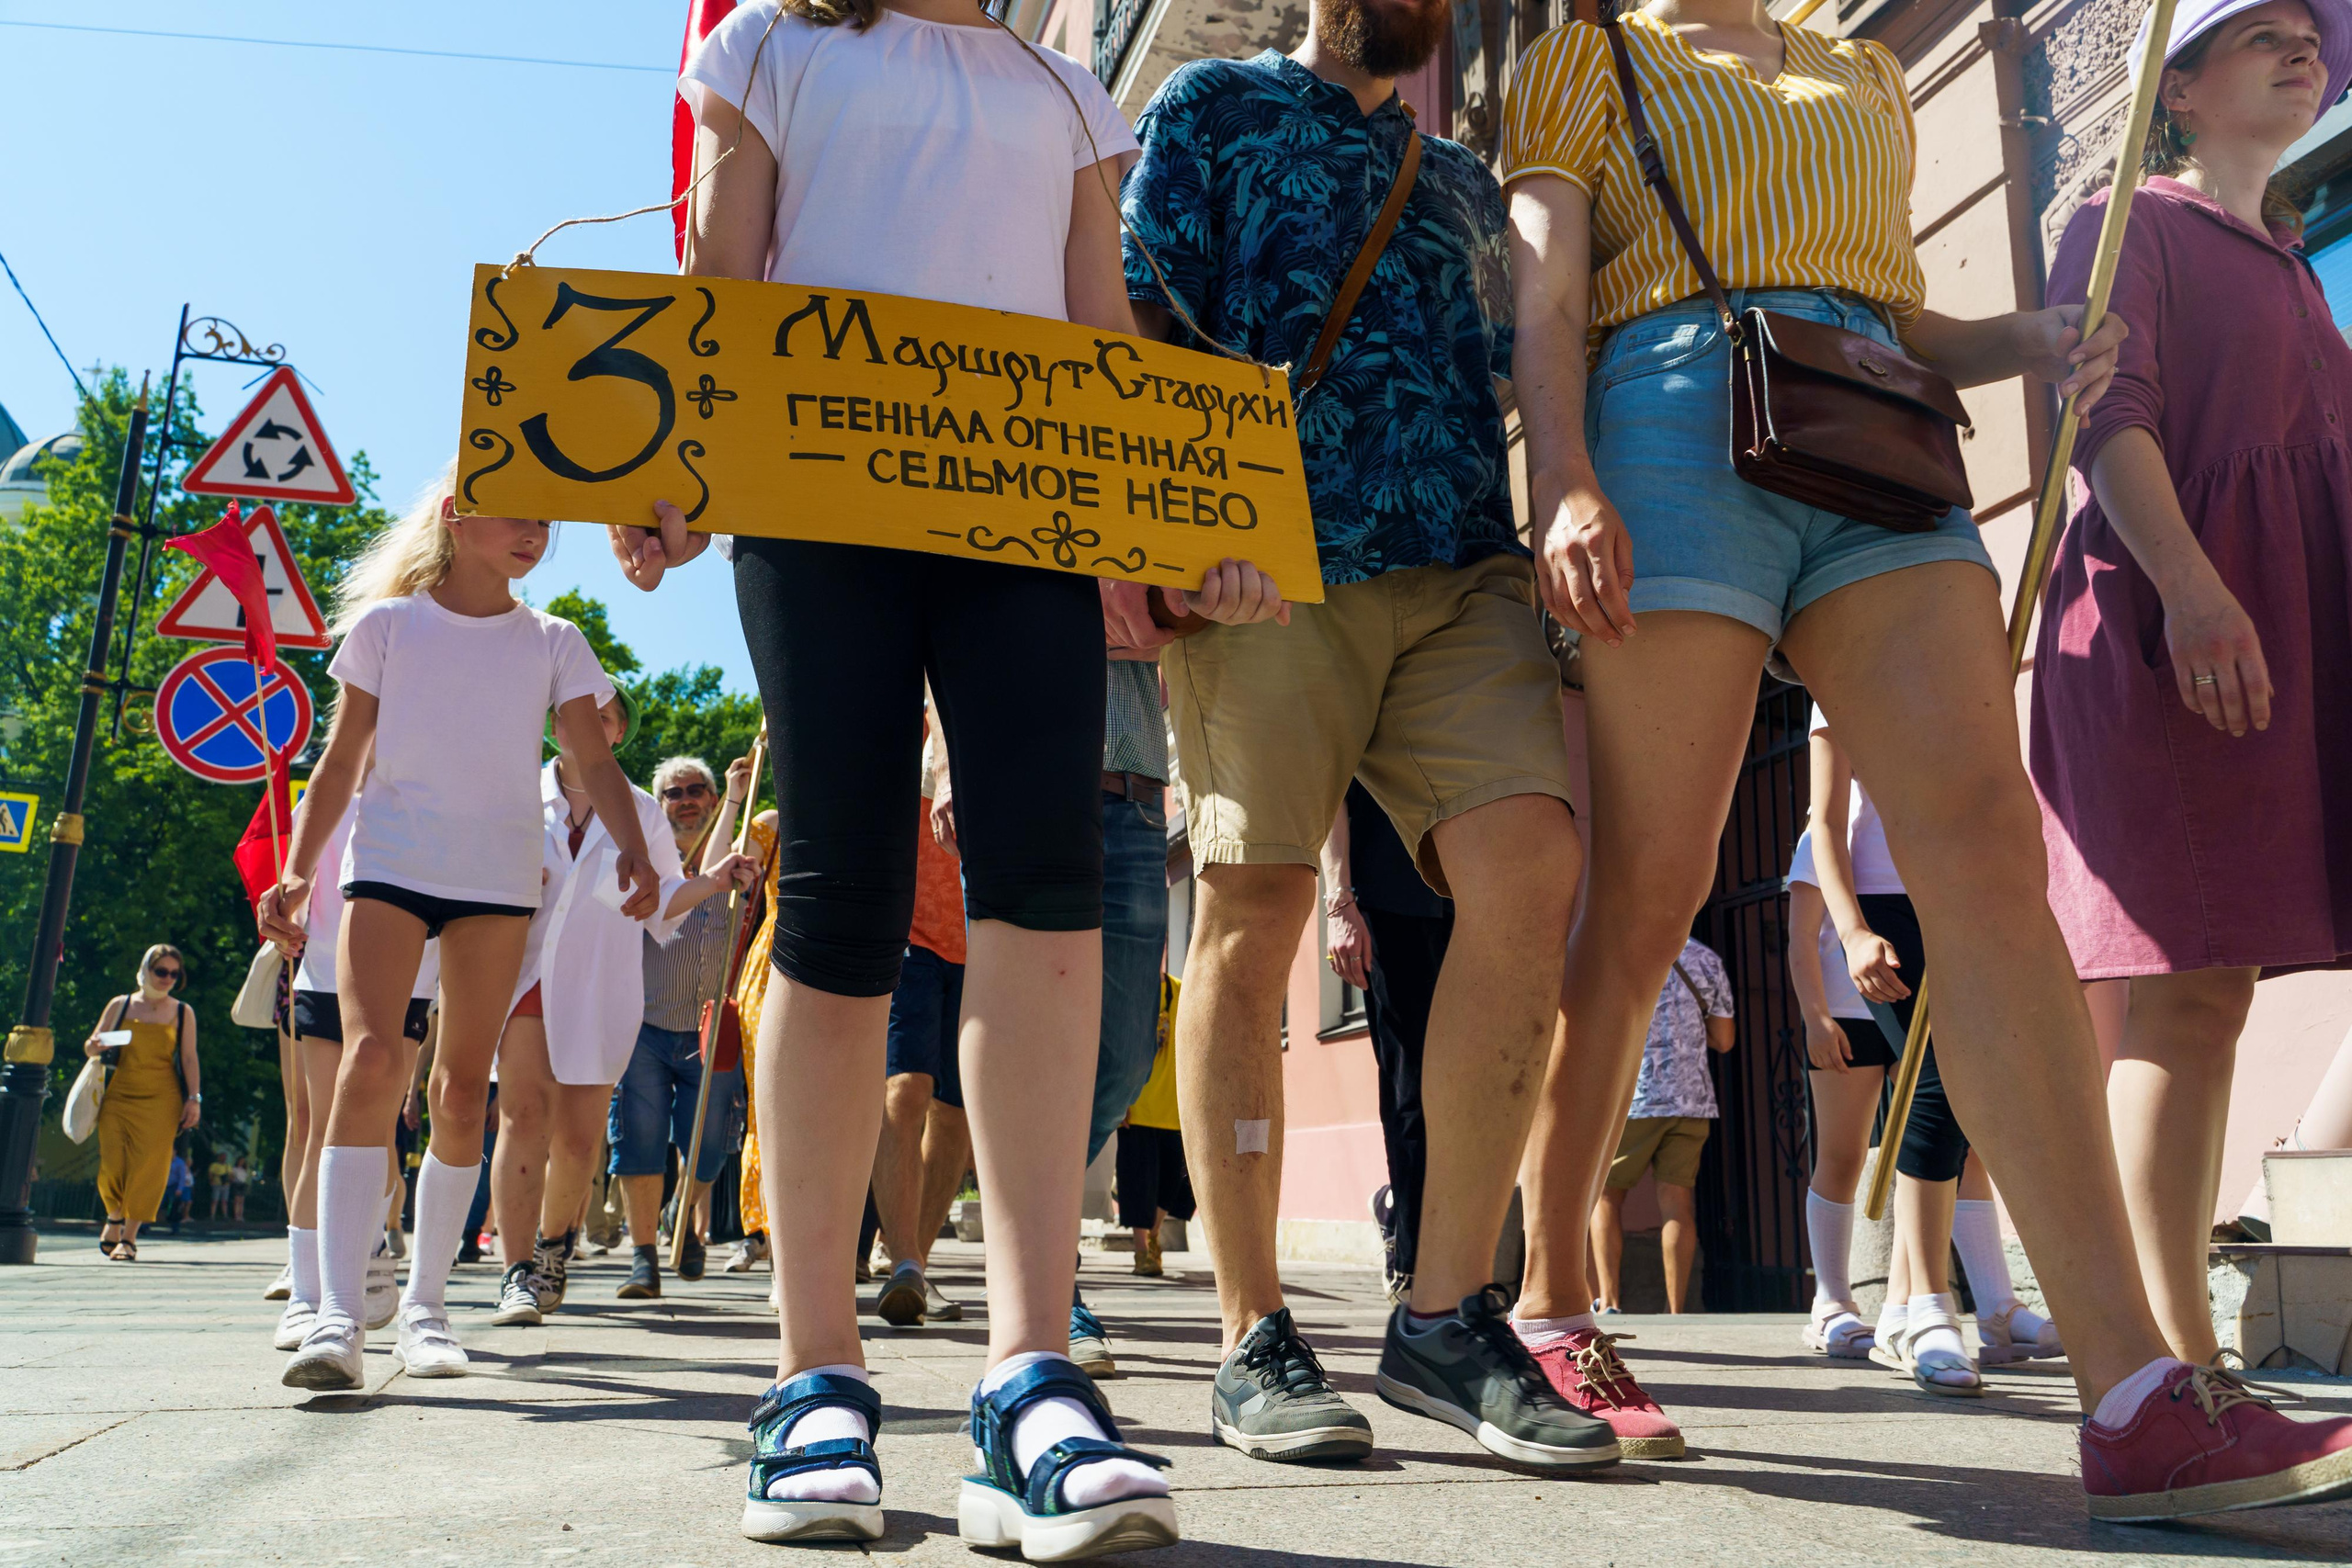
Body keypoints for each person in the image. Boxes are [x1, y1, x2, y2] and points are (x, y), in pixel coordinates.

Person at [1502, 0, 2352, 1515]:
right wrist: (1562, 473)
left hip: (1875, 428)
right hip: (1672, 415)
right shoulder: (1595, 58)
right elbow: (1549, 294)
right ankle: (1555, 1299)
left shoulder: (1859, 70)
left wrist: (2025, 340)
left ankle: (2134, 1392)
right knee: (1649, 889)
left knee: (1989, 863)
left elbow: (1897, 312)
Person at [640, 0, 1283, 1549]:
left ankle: (1029, 1377)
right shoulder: (765, 49)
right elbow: (720, 288)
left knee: (1046, 896)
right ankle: (814, 1373)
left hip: (1026, 516)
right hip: (815, 503)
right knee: (840, 895)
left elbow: (1104, 342)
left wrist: (1191, 527)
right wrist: (664, 469)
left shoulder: (1069, 94)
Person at [1122, 0, 1610, 1474]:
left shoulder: (1460, 178)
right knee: (1255, 903)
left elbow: (1521, 363)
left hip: (1459, 563)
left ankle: (1446, 1312)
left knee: (1531, 866)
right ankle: (1251, 1330)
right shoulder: (1209, 105)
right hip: (1267, 563)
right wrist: (1166, 533)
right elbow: (1140, 319)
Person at [2030, 0, 2352, 1385]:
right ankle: (2171, 1363)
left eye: (2310, 35)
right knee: (2190, 990)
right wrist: (2195, 587)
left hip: (2289, 628)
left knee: (2216, 992)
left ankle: (2181, 1360)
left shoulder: (2288, 259)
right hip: (2180, 622)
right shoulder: (2124, 223)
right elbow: (2105, 418)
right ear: (2180, 88)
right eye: (2261, 32)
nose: (2304, 49)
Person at [256, 462, 651, 1392]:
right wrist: (297, 869)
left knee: (463, 1092)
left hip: (496, 881)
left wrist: (636, 852)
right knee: (368, 1061)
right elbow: (340, 760)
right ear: (456, 517)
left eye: (547, 520)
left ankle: (426, 1311)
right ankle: (336, 1318)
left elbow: (595, 761)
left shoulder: (555, 640)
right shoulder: (388, 627)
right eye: (516, 513)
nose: (535, 532)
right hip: (390, 866)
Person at [499, 739, 753, 1319]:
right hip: (617, 1012)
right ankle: (604, 1259)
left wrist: (731, 821)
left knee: (690, 1146)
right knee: (596, 1132)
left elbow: (683, 882)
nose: (686, 800)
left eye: (697, 791)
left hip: (684, 1019)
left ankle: (649, 1221)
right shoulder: (559, 804)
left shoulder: (661, 825)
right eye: (675, 792)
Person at [274, 791, 439, 1352]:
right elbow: (292, 878)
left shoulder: (433, 785)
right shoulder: (325, 796)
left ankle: (369, 1246)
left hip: (408, 978)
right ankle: (305, 1293)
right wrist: (283, 908)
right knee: (322, 1130)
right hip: (325, 969)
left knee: (379, 1127)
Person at [1323, 783, 1452, 1306]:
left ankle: (1415, 1224)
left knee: (1471, 1090)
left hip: (1470, 896)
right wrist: (1338, 902)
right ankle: (1416, 1266)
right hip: (1389, 895)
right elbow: (1332, 790)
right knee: (1412, 1087)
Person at [867, 712, 975, 1328]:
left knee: (956, 1111)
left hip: (983, 936)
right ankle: (902, 1259)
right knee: (906, 1088)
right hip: (908, 931)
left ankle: (917, 1264)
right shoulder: (909, 707)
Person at [1591, 936, 1733, 1323]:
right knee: (1678, 1204)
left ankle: (1609, 1301)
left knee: (1606, 1196)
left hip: (1633, 1098)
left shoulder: (1618, 948)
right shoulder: (1706, 959)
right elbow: (1724, 1039)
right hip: (1692, 1101)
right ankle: (1676, 1310)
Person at [85, 944, 200, 1261]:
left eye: (174, 974)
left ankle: (129, 1237)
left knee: (149, 1168)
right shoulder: (120, 1004)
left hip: (163, 1099)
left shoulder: (182, 1012)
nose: (167, 978)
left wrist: (194, 1099)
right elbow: (91, 1046)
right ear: (146, 970)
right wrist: (95, 1045)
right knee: (112, 1162)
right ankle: (114, 1217)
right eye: (161, 971)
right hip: (119, 1095)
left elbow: (189, 1058)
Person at [1115, 974, 1193, 1278]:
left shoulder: (1182, 990)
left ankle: (1154, 1235)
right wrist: (1118, 1098)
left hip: (1174, 1107)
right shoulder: (1129, 991)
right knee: (1137, 1185)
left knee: (1175, 1185)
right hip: (1137, 1106)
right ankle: (1141, 1251)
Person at [165, 1150, 193, 1235]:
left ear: (175, 1152)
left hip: (174, 1186)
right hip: (165, 1186)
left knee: (174, 1208)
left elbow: (182, 1177)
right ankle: (144, 1226)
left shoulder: (180, 1163)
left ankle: (175, 1228)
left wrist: (180, 1189)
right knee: (159, 1206)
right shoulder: (165, 1160)